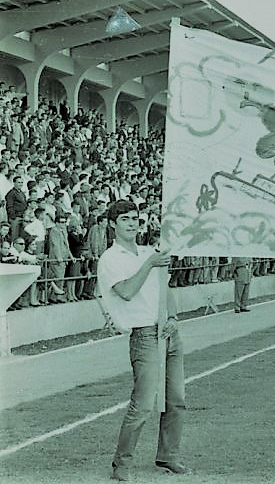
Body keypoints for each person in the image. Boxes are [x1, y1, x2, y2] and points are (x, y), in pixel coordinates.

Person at [97, 200, 189, 481]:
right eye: (125, 218)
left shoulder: (151, 252)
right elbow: (125, 291)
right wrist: (149, 264)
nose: (132, 223)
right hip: (144, 334)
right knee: (144, 404)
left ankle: (168, 455)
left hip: (167, 330)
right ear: (113, 223)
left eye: (135, 218)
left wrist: (173, 317)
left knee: (176, 400)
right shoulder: (111, 259)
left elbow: (166, 287)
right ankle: (121, 465)